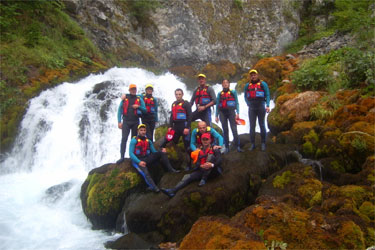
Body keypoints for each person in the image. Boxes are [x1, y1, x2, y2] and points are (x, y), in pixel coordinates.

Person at [161, 132, 222, 198]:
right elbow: (197, 162)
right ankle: (172, 191)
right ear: (201, 140)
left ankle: (204, 179)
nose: (205, 141)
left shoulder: (214, 149)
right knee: (187, 177)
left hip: (213, 171)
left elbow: (219, 160)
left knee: (211, 157)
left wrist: (212, 165)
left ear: (210, 140)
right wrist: (200, 166)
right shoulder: (199, 150)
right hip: (203, 170)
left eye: (206, 139)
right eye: (203, 139)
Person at [130, 124, 179, 193]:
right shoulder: (134, 141)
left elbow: (154, 151)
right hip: (137, 160)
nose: (143, 132)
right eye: (141, 130)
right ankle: (154, 188)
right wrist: (139, 162)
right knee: (146, 172)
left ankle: (171, 169)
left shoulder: (148, 141)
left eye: (144, 130)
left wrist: (162, 150)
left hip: (146, 158)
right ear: (138, 131)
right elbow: (131, 154)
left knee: (161, 154)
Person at [160, 88, 192, 166]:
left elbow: (190, 116)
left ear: (182, 95)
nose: (178, 96)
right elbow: (171, 116)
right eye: (176, 94)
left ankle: (189, 164)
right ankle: (172, 159)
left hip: (184, 126)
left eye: (179, 94)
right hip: (176, 127)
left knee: (187, 146)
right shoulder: (173, 104)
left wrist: (187, 127)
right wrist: (170, 126)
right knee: (171, 140)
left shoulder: (186, 104)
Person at [116, 84, 147, 164]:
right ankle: (122, 157)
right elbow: (119, 110)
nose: (133, 90)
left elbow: (145, 110)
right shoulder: (125, 98)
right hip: (126, 121)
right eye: (132, 89)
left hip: (135, 121)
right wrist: (119, 122)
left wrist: (138, 107)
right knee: (124, 139)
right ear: (129, 90)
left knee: (134, 140)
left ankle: (132, 157)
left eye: (135, 89)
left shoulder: (139, 99)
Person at [244, 69, 270, 151]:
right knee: (252, 126)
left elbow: (268, 95)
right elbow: (245, 96)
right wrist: (248, 103)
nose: (253, 76)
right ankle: (252, 144)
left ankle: (263, 143)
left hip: (261, 106)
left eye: (254, 75)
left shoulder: (263, 84)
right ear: (250, 76)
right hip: (251, 107)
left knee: (262, 124)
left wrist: (268, 105)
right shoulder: (247, 85)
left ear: (257, 75)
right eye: (251, 75)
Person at [215, 79, 243, 153]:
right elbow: (217, 105)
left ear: (229, 84)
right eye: (224, 83)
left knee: (234, 129)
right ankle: (227, 147)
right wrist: (216, 115)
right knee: (225, 130)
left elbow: (237, 103)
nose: (225, 84)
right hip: (222, 113)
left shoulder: (233, 92)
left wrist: (238, 113)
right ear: (222, 85)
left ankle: (238, 146)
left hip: (231, 112)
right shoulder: (219, 94)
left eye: (227, 83)